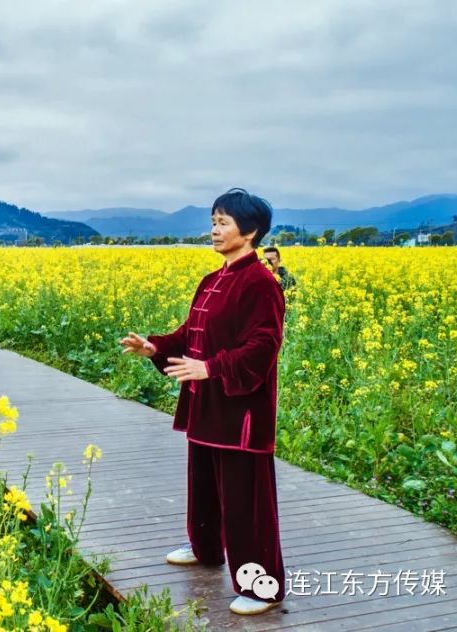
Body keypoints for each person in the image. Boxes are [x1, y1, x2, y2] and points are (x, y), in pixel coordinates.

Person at [119, 188, 286, 616]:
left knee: (245, 499)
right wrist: (154, 347)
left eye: (223, 222)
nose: (214, 230)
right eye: (213, 221)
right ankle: (206, 547)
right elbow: (190, 332)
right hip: (206, 405)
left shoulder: (261, 283)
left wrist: (211, 368)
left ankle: (262, 587)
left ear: (249, 232)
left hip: (240, 410)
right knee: (205, 486)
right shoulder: (213, 279)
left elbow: (263, 347)